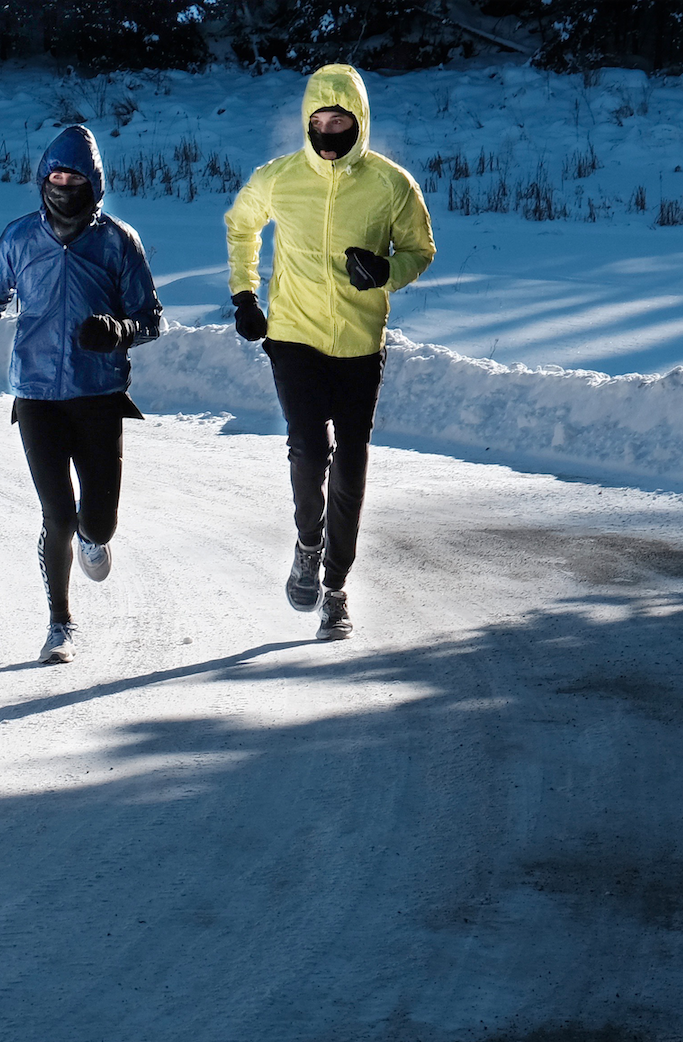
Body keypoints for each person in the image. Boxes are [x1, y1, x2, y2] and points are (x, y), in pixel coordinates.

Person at [224, 63, 435, 641]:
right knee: (309, 451)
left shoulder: (391, 184)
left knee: (351, 463)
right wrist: (244, 294)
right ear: (306, 121)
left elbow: (421, 249)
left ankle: (336, 588)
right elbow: (241, 227)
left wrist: (388, 271)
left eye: (338, 119)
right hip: (293, 335)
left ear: (358, 122)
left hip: (361, 342)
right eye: (318, 118)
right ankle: (307, 545)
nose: (327, 128)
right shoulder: (279, 178)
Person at [0, 125, 162, 665]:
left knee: (98, 521)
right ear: (43, 180)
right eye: (55, 176)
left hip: (99, 392)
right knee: (57, 514)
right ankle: (60, 624)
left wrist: (117, 330)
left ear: (94, 182)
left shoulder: (117, 241)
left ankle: (94, 536)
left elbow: (151, 318)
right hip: (35, 392)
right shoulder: (20, 238)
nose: (63, 185)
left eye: (74, 177)